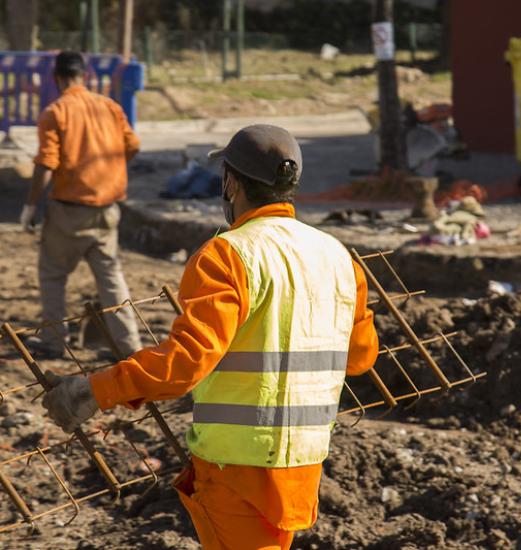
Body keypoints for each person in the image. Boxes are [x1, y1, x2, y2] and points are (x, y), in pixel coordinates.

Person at [41, 124, 379, 549]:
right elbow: (360, 358)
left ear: (231, 182)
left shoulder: (227, 254)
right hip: (303, 462)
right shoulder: (338, 257)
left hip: (236, 465)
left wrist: (93, 390)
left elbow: (185, 365)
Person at [20, 51, 141, 357]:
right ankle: (129, 347)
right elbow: (132, 146)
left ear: (56, 78)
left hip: (69, 211)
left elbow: (46, 163)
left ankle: (54, 341)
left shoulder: (56, 112)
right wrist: (108, 172)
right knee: (111, 279)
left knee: (53, 275)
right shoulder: (110, 107)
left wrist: (31, 205)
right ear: (84, 76)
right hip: (107, 210)